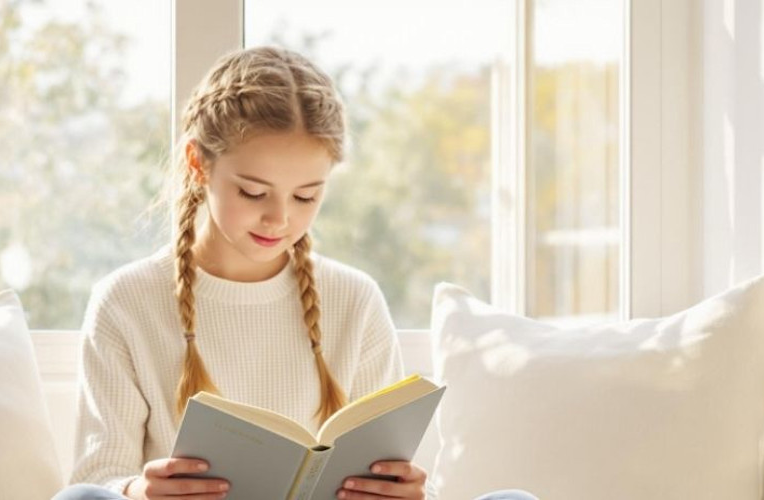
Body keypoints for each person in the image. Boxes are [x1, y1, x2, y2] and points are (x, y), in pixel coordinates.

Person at [52, 46, 537, 500]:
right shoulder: (127, 300)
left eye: (306, 196)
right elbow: (96, 479)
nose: (279, 219)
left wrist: (407, 493)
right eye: (253, 192)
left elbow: (386, 469)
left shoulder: (354, 298)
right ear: (198, 163)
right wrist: (137, 491)